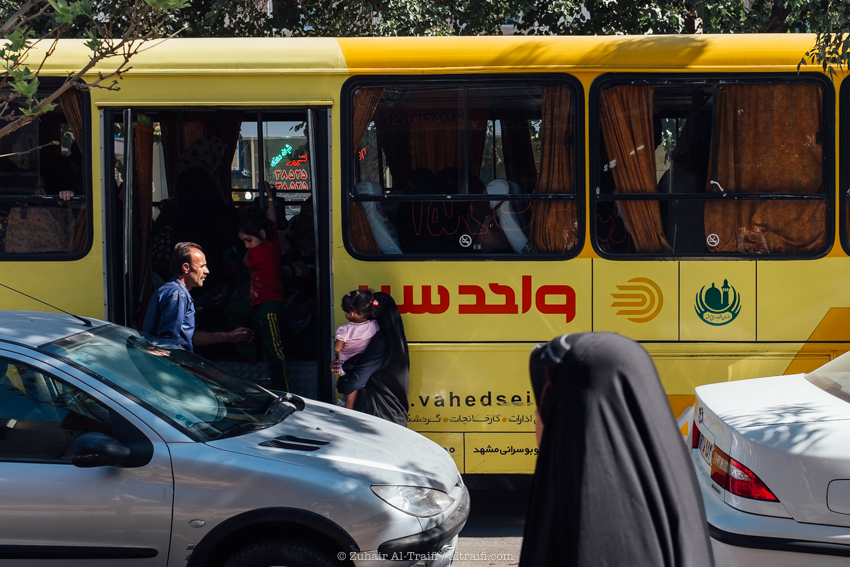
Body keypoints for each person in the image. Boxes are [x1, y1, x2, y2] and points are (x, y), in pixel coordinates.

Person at [519, 333, 713, 567]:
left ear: (570, 420)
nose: (537, 419)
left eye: (544, 409)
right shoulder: (674, 494)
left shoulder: (589, 528)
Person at [225, 202, 291, 392]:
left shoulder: (256, 253)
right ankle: (250, 352)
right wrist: (270, 199)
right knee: (232, 311)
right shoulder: (273, 244)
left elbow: (245, 261)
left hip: (268, 306)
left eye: (248, 240)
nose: (247, 246)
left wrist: (247, 252)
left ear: (261, 234)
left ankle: (285, 391)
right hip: (258, 303)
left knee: (275, 352)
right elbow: (271, 223)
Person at [142, 242, 253, 352]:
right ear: (186, 267)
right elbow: (168, 342)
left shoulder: (172, 291)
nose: (207, 271)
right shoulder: (177, 294)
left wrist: (228, 336)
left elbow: (188, 336)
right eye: (202, 266)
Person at [333, 291, 409, 426]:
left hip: (378, 415)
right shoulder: (395, 342)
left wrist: (341, 382)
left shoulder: (380, 342)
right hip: (391, 414)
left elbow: (355, 381)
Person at [334, 290, 380, 409]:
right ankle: (344, 406)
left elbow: (338, 348)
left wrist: (336, 342)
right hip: (362, 363)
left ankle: (347, 413)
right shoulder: (374, 325)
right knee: (349, 389)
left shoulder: (345, 329)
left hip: (346, 364)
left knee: (350, 391)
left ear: (352, 314)